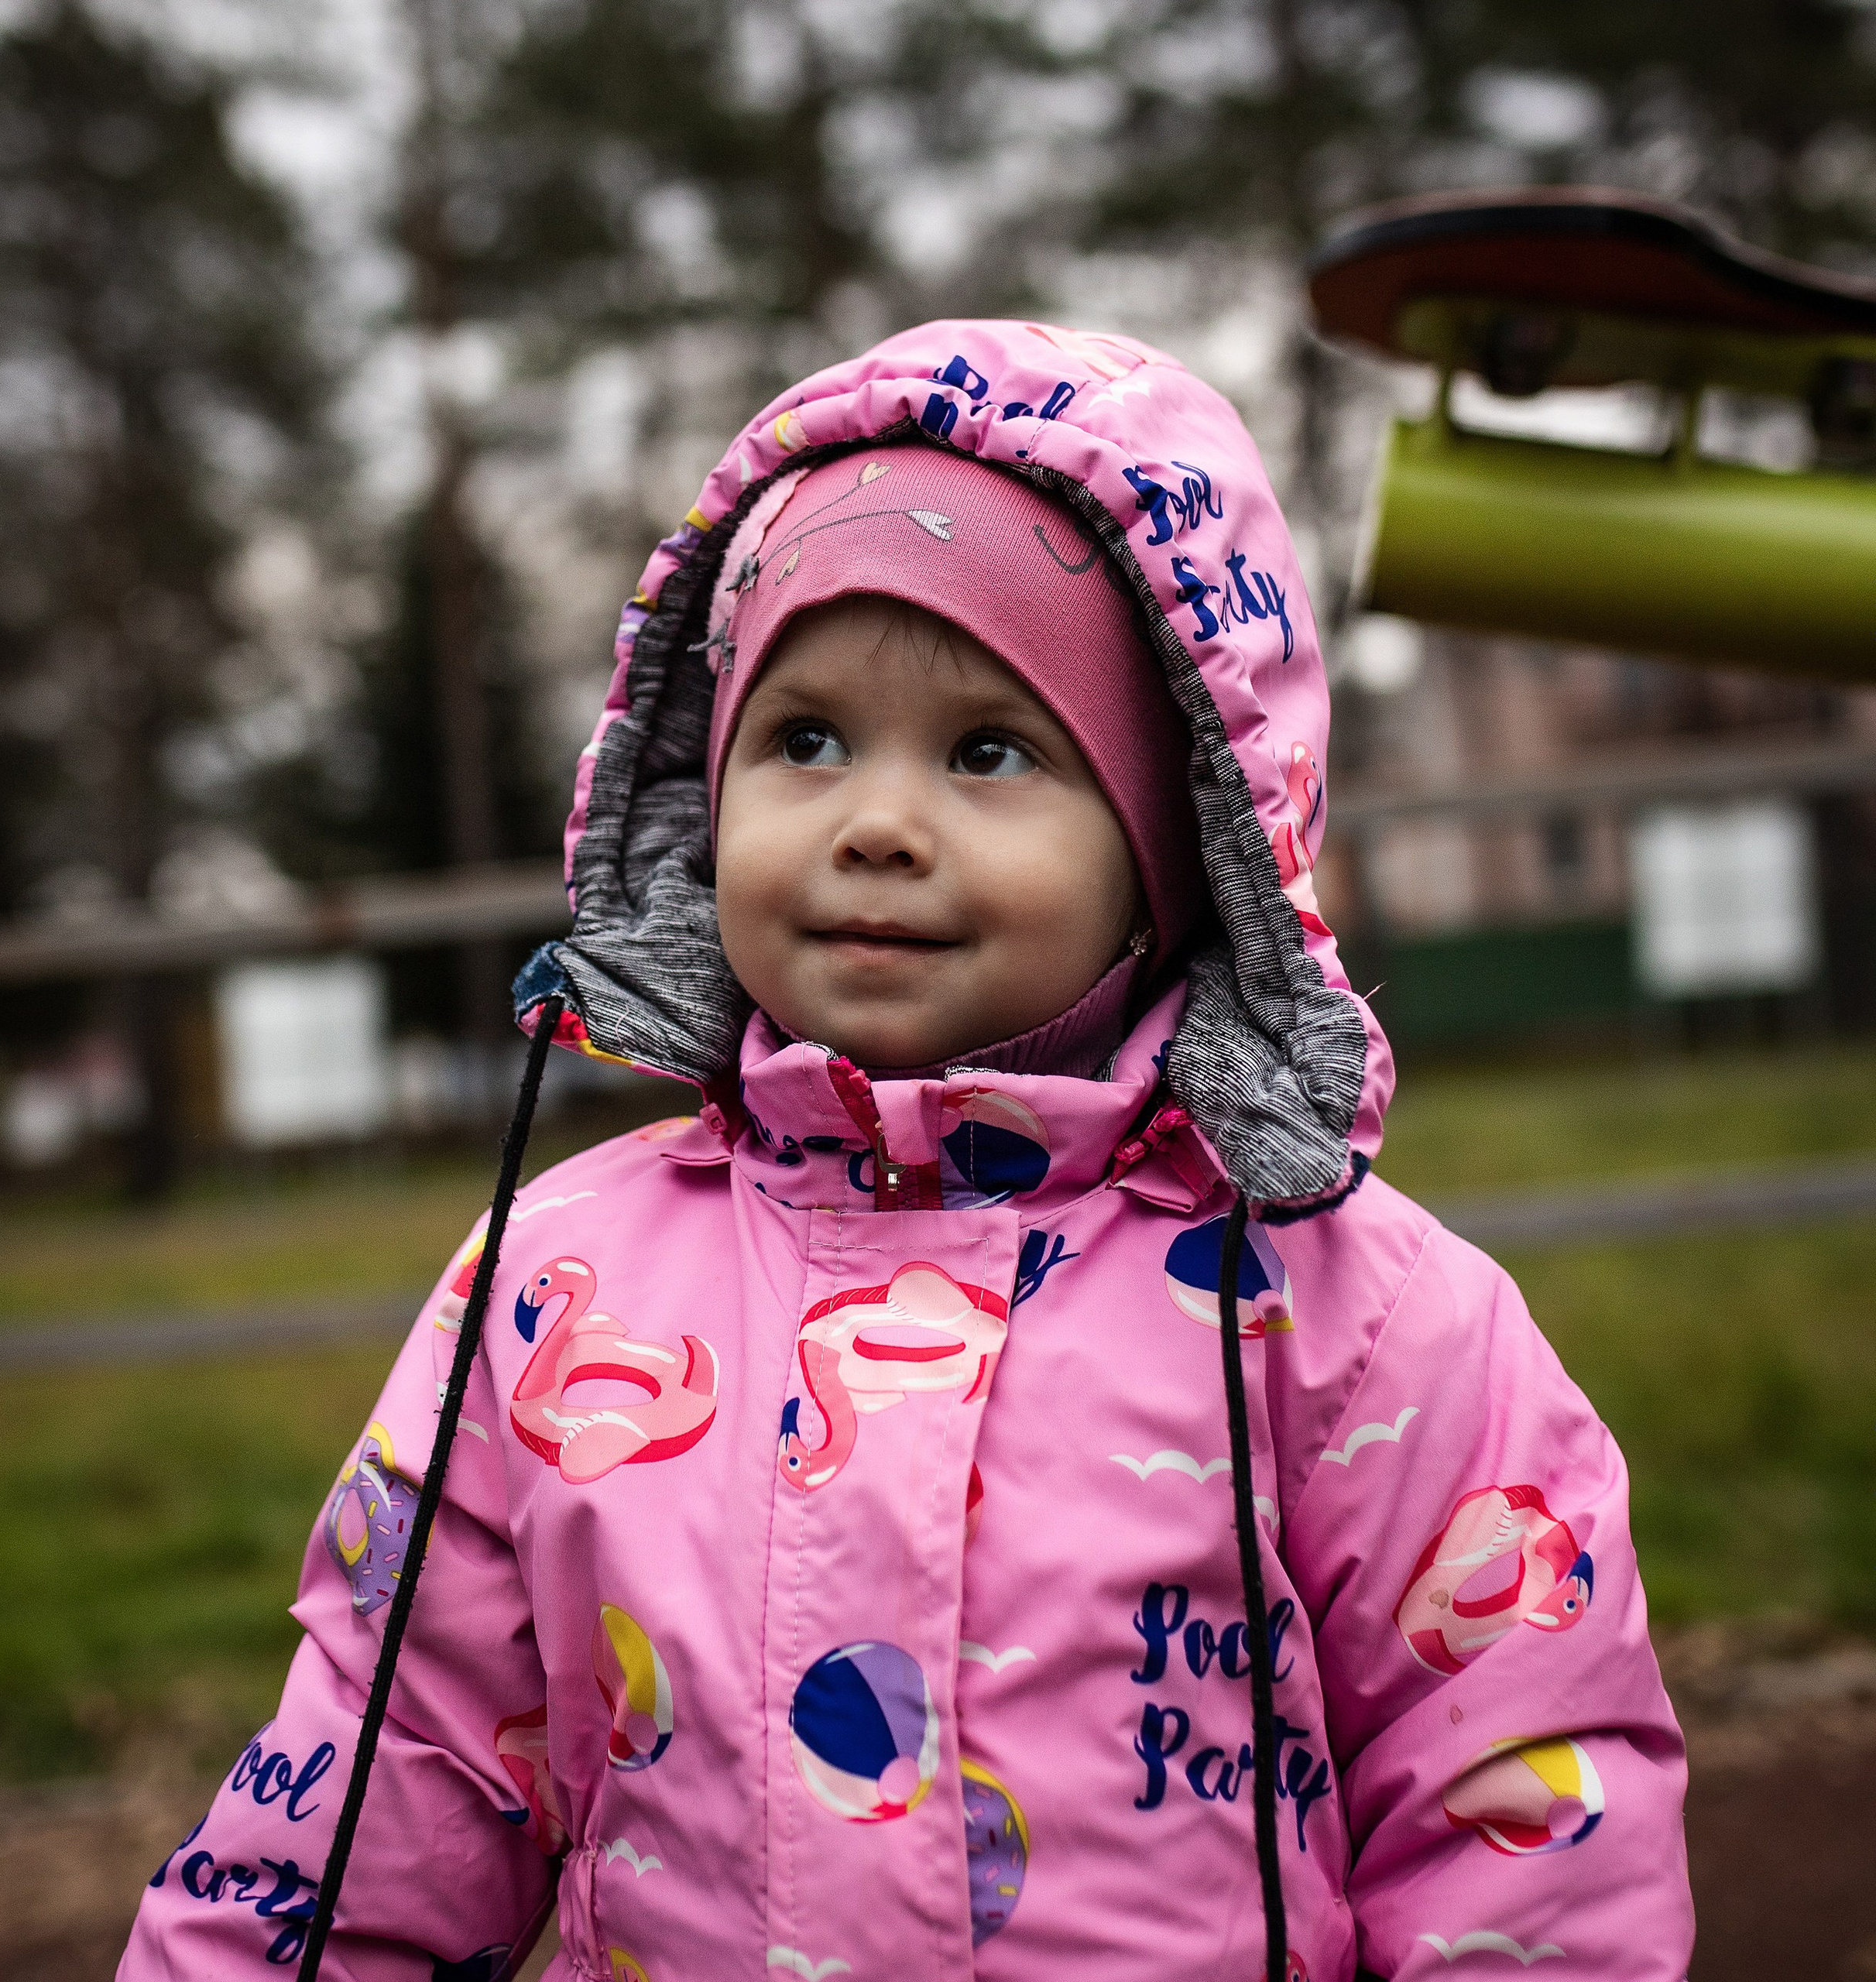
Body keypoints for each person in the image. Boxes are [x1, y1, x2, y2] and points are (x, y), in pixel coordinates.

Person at [119, 321, 1692, 1982]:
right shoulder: (555, 1292)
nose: (874, 818)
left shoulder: (1353, 1318)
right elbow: (388, 1768)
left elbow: (1511, 1795)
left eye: (985, 750)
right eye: (802, 737)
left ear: (1176, 836)